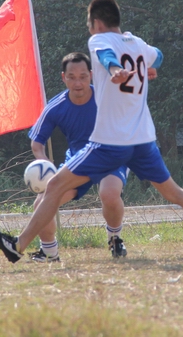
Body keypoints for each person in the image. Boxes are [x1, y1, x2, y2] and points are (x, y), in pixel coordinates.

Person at [0, 0, 183, 263]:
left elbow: (106, 55)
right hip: (142, 140)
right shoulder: (137, 43)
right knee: (174, 192)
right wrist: (150, 66)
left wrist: (114, 69)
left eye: (90, 24)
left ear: (97, 23)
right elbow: (159, 55)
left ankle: (18, 246)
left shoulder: (98, 40)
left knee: (53, 186)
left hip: (110, 142)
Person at [27, 52, 128, 261]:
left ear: (91, 75)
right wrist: (44, 163)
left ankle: (115, 239)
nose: (78, 83)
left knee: (109, 193)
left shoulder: (106, 98)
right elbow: (37, 143)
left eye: (83, 76)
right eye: (72, 77)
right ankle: (49, 253)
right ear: (63, 78)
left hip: (110, 156)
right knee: (41, 203)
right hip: (78, 161)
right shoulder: (56, 107)